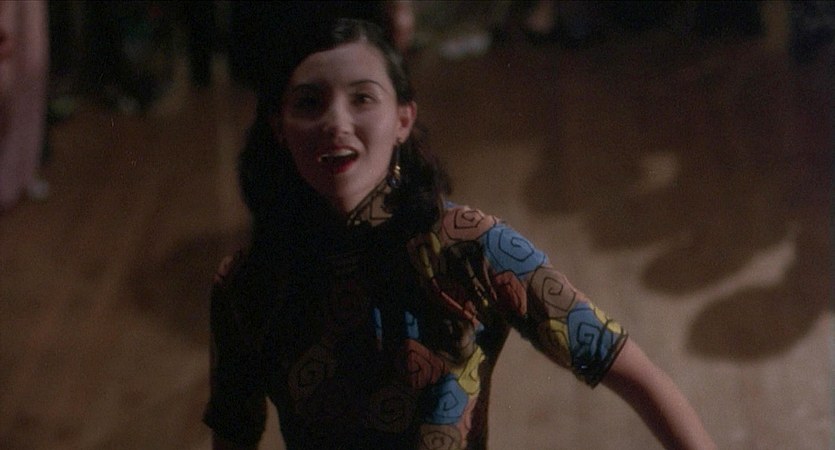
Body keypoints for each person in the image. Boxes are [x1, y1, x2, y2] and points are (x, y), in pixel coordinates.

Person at [203, 18, 716, 450]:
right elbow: (232, 433)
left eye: (362, 98)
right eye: (309, 103)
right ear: (279, 127)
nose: (336, 121)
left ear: (403, 119)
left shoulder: (471, 247)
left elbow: (632, 372)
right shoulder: (248, 284)